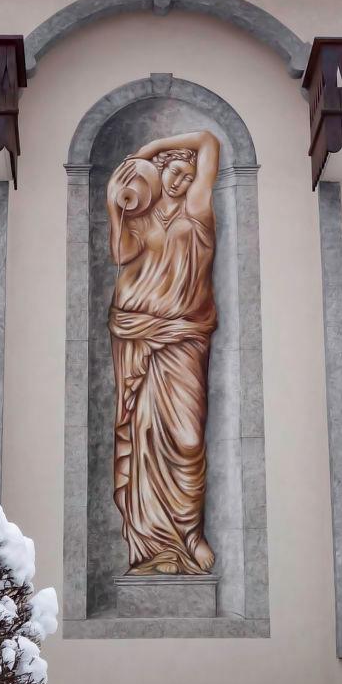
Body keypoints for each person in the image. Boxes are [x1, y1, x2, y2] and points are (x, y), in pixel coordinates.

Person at [105, 129, 221, 576]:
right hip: (136, 335)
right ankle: (154, 544)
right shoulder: (142, 221)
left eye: (188, 175)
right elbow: (120, 254)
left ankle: (190, 531)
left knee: (188, 439)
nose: (181, 180)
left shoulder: (198, 212)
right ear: (161, 175)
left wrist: (147, 149)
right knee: (143, 434)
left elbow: (209, 140)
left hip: (185, 336)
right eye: (175, 170)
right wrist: (116, 210)